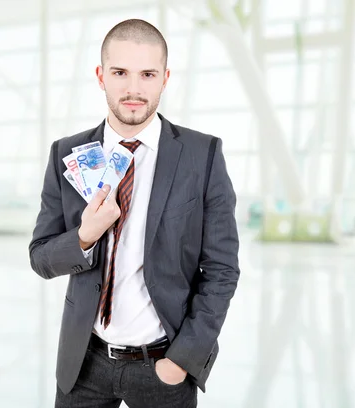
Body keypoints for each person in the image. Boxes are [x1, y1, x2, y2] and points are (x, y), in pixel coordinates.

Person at [29, 18, 240, 408]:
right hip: (84, 364)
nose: (133, 89)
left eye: (147, 74)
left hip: (164, 365)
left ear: (164, 78)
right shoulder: (66, 154)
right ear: (101, 75)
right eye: (120, 72)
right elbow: (40, 257)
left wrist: (181, 361)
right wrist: (84, 236)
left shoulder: (202, 155)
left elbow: (222, 269)